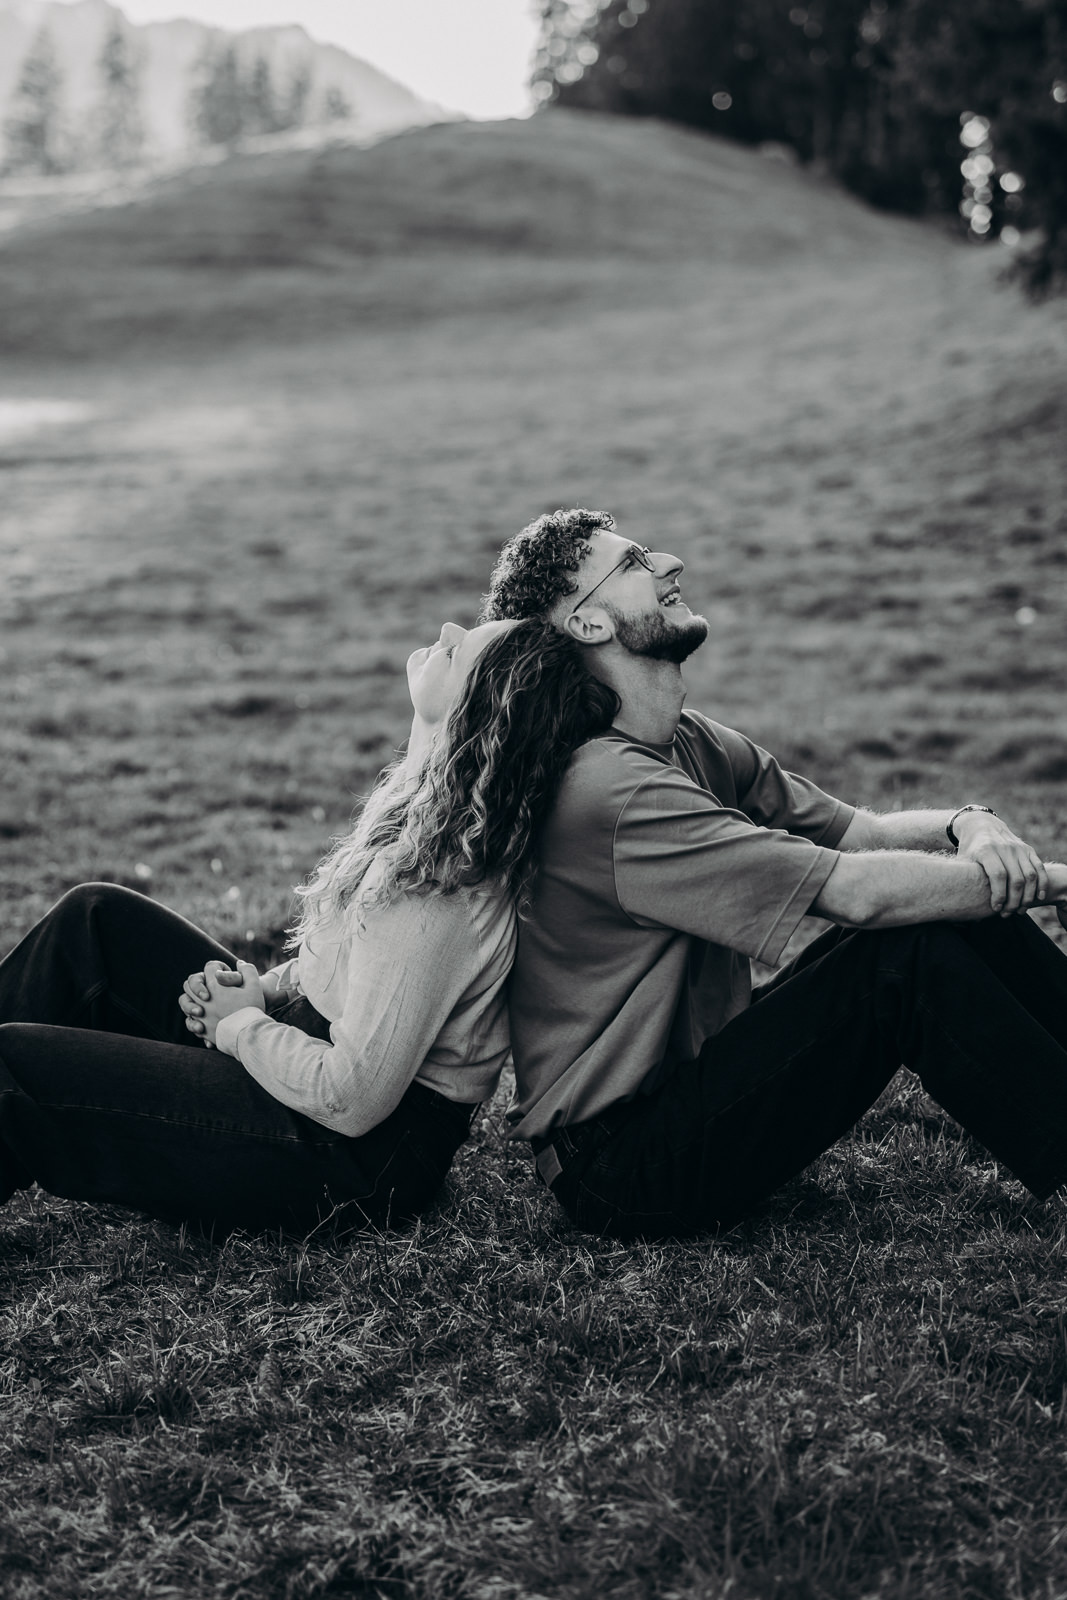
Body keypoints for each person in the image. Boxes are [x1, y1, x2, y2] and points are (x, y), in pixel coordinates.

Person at [481, 507, 1067, 1241]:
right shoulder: (611, 789)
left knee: (942, 910)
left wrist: (967, 823)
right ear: (588, 624)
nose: (669, 564)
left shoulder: (685, 740)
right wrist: (1049, 881)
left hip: (689, 1090)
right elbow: (856, 894)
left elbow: (864, 833)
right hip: (622, 1163)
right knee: (903, 954)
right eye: (632, 563)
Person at [0, 614, 617, 1235]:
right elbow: (350, 964)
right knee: (95, 919)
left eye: (464, 652)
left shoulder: (443, 893)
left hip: (348, 1154)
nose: (450, 630)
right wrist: (264, 992)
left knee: (14, 1067)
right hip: (310, 1059)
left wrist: (239, 1025)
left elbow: (354, 1099)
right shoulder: (428, 812)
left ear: (478, 716)